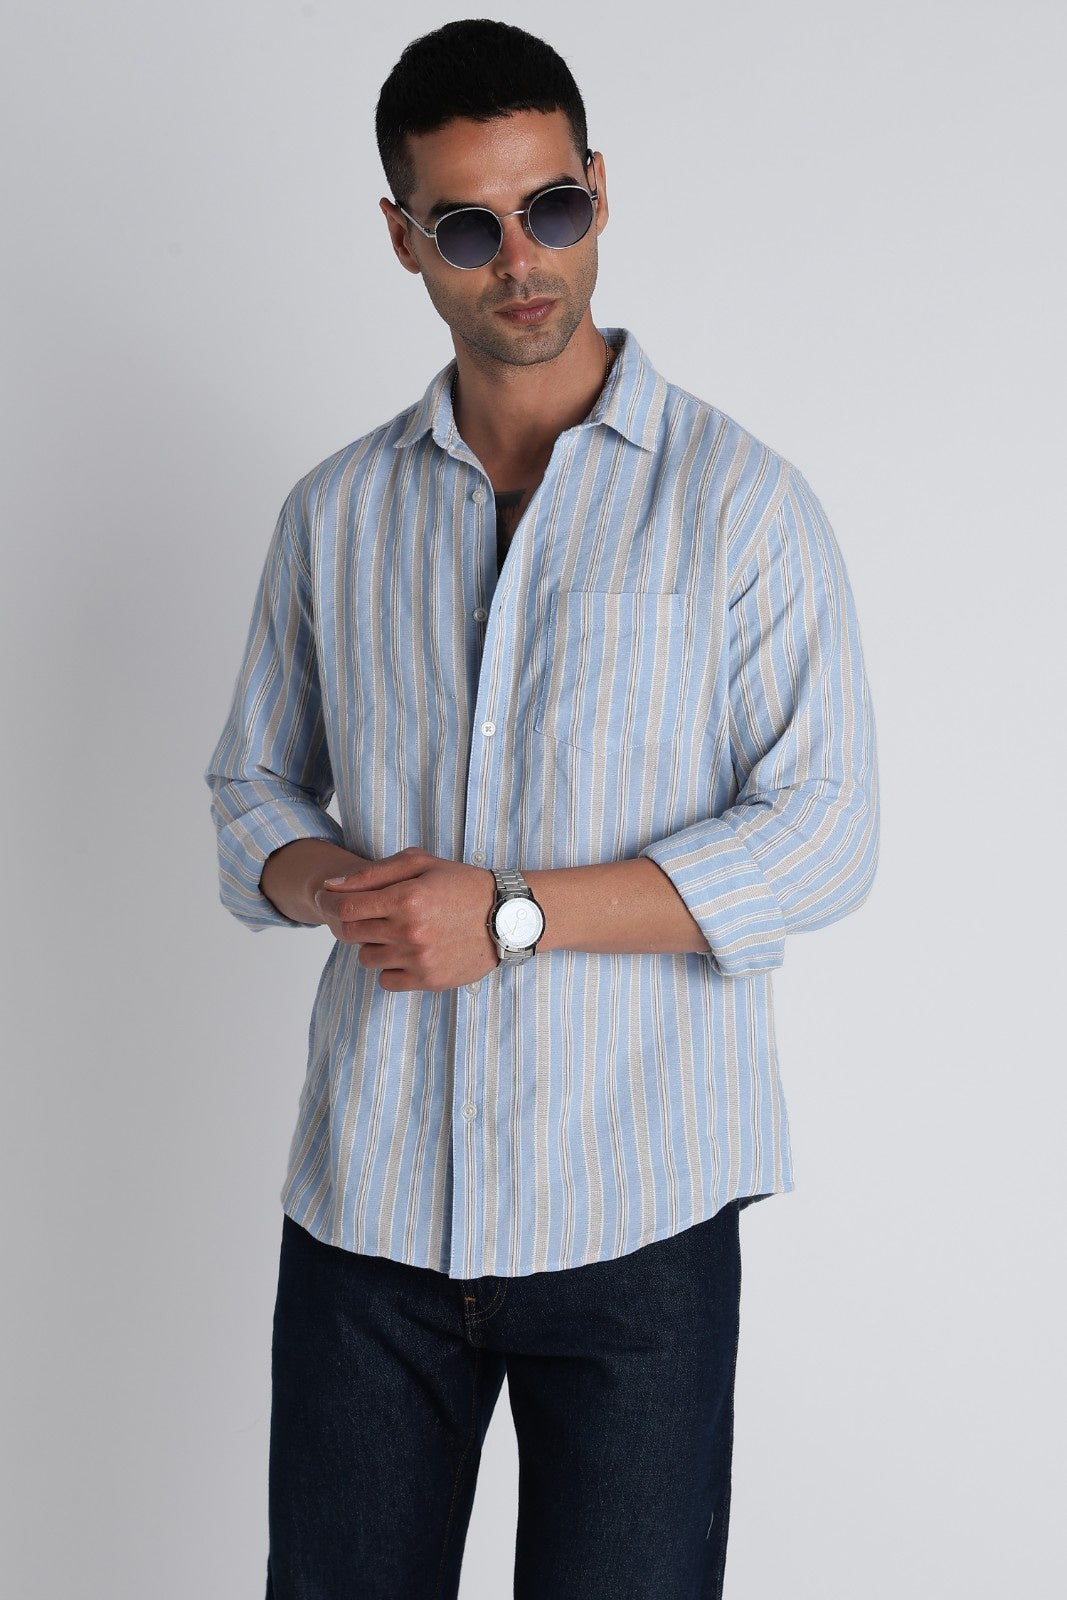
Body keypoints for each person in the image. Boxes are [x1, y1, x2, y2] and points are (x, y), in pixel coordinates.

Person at [205, 18, 879, 1599]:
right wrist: (339, 888)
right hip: (371, 1214)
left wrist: (509, 915)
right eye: (469, 227)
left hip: (638, 1219)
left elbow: (825, 832)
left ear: (598, 191)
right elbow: (251, 787)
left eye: (551, 208)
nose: (522, 260)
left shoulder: (740, 505)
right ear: (403, 238)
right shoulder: (336, 515)